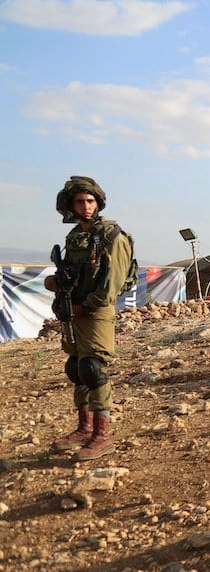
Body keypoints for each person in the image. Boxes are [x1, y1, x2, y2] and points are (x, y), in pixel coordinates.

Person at [44, 176, 133, 461]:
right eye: (80, 201)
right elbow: (72, 274)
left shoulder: (111, 236)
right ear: (70, 205)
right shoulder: (75, 237)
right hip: (74, 310)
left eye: (90, 201)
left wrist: (85, 306)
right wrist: (56, 283)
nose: (85, 207)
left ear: (98, 203)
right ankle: (84, 428)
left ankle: (102, 436)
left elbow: (111, 286)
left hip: (95, 312)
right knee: (75, 368)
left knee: (93, 368)